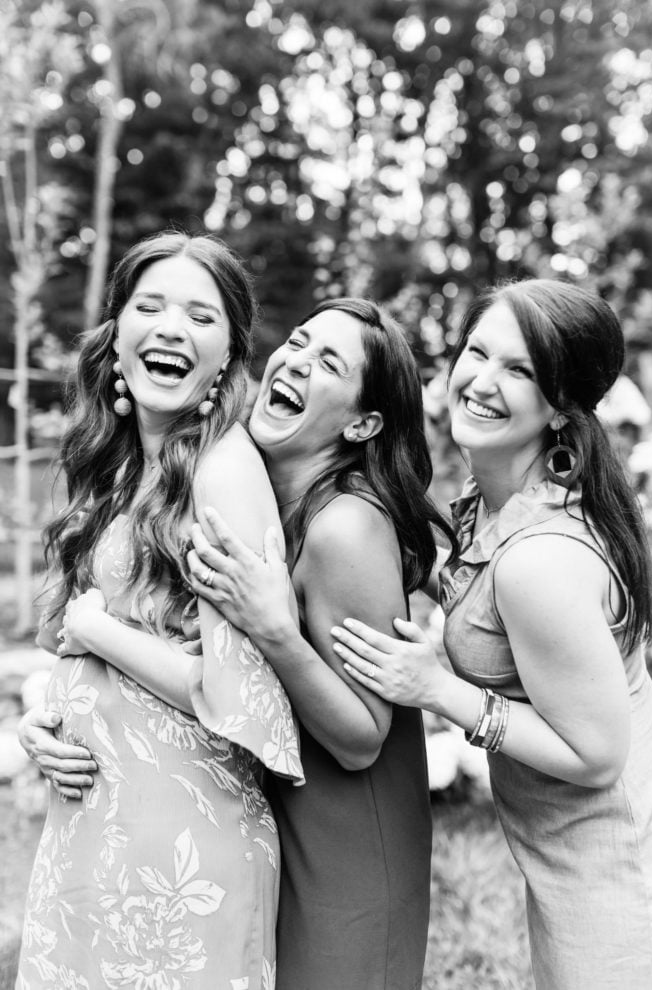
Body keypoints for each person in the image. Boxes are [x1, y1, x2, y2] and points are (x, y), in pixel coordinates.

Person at [21, 297, 458, 990]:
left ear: (363, 422)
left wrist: (275, 628)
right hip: (265, 807)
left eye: (329, 363)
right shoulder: (252, 490)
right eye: (300, 340)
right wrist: (53, 716)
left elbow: (363, 737)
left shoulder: (345, 526)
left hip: (344, 844)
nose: (297, 360)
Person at [330, 279, 652, 990]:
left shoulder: (539, 561)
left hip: (621, 873)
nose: (481, 380)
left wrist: (439, 691)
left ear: (563, 406)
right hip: (573, 861)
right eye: (478, 352)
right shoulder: (499, 499)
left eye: (520, 370)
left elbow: (598, 755)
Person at [16, 231, 303, 990]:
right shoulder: (118, 465)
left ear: (227, 359)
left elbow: (241, 694)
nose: (173, 327)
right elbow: (70, 637)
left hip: (179, 845)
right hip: (93, 826)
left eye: (201, 317)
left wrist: (97, 632)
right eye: (151, 306)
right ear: (117, 335)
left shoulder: (225, 472)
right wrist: (42, 723)